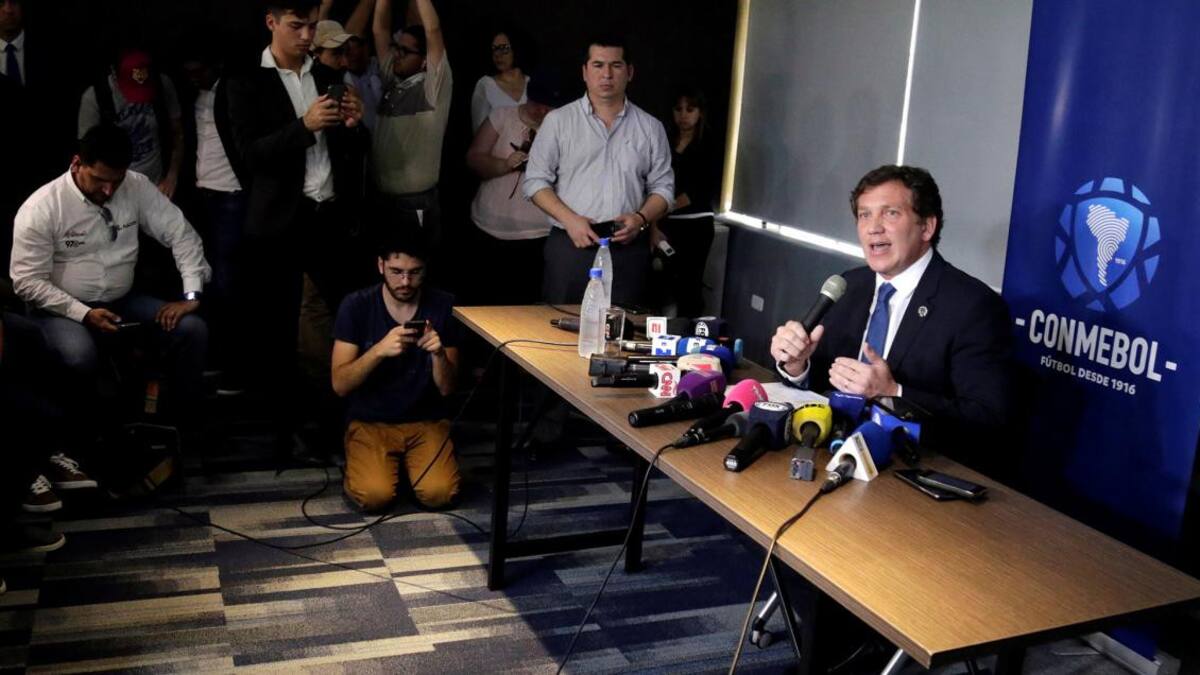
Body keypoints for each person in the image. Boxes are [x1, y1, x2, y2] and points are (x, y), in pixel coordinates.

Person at [769, 165, 1014, 453]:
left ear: (926, 227)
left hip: (909, 464)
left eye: (890, 213)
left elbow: (988, 419)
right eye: (865, 215)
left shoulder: (973, 307)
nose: (873, 227)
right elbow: (826, 380)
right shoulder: (849, 286)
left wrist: (892, 393)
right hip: (831, 448)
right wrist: (799, 366)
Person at [224, 0, 369, 461]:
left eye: (310, 26)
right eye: (297, 26)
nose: (307, 36)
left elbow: (354, 150)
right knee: (277, 331)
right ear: (271, 22)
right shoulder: (245, 80)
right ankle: (283, 434)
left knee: (344, 322)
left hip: (330, 218)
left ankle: (338, 425)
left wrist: (354, 126)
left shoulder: (328, 76)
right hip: (279, 222)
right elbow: (250, 156)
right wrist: (303, 126)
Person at [9, 123, 211, 436]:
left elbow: (180, 233)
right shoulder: (42, 208)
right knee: (79, 354)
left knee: (192, 330)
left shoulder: (135, 186)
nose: (108, 190)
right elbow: (26, 282)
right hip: (62, 311)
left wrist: (191, 295)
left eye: (115, 182)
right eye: (100, 180)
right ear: (77, 164)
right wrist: (83, 313)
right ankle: (82, 440)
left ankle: (184, 429)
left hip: (122, 302)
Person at [523, 34, 674, 307]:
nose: (606, 74)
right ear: (584, 72)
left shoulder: (650, 127)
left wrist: (641, 218)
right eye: (598, 65)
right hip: (571, 243)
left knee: (623, 332)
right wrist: (569, 219)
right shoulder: (558, 122)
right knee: (555, 330)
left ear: (629, 72)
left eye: (616, 66)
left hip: (627, 246)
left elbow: (664, 188)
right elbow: (534, 182)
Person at [331, 228, 461, 510]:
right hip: (371, 419)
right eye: (396, 271)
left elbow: (449, 388)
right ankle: (369, 464)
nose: (405, 281)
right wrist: (378, 350)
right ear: (380, 266)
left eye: (415, 272)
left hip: (426, 418)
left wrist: (438, 354)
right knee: (374, 496)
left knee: (439, 493)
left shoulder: (443, 304)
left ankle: (405, 467)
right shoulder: (356, 305)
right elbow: (340, 384)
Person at [465, 75, 566, 305]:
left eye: (548, 106)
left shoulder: (562, 127)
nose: (541, 111)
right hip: (489, 228)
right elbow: (473, 159)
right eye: (536, 104)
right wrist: (504, 164)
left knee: (525, 302)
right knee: (485, 300)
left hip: (536, 235)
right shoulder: (502, 115)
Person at [181, 54, 247, 390]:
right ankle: (208, 358)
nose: (193, 77)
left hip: (231, 196)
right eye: (188, 72)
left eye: (199, 69)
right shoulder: (194, 96)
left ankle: (233, 366)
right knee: (202, 277)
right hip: (202, 196)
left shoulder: (232, 92)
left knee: (227, 283)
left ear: (215, 65)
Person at [370, 0, 450, 250]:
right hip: (382, 199)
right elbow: (379, 30)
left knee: (415, 275)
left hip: (414, 203)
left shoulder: (432, 88)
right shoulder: (392, 80)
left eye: (405, 51)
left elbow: (433, 31)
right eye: (396, 48)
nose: (396, 54)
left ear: (425, 60)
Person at [78, 49, 184, 199]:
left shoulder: (162, 86)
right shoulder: (96, 97)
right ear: (115, 75)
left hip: (156, 186)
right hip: (115, 192)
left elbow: (177, 133)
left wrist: (172, 176)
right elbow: (86, 157)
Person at [652, 87, 718, 318]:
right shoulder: (664, 141)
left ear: (700, 112)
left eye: (690, 109)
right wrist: (654, 219)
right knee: (661, 282)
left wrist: (661, 209)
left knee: (689, 284)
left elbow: (698, 189)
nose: (684, 115)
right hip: (665, 222)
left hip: (695, 224)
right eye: (678, 109)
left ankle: (690, 339)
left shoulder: (708, 143)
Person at [469, 28, 528, 133]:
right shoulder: (486, 85)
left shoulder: (532, 83)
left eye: (504, 48)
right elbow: (479, 133)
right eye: (494, 49)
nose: (497, 54)